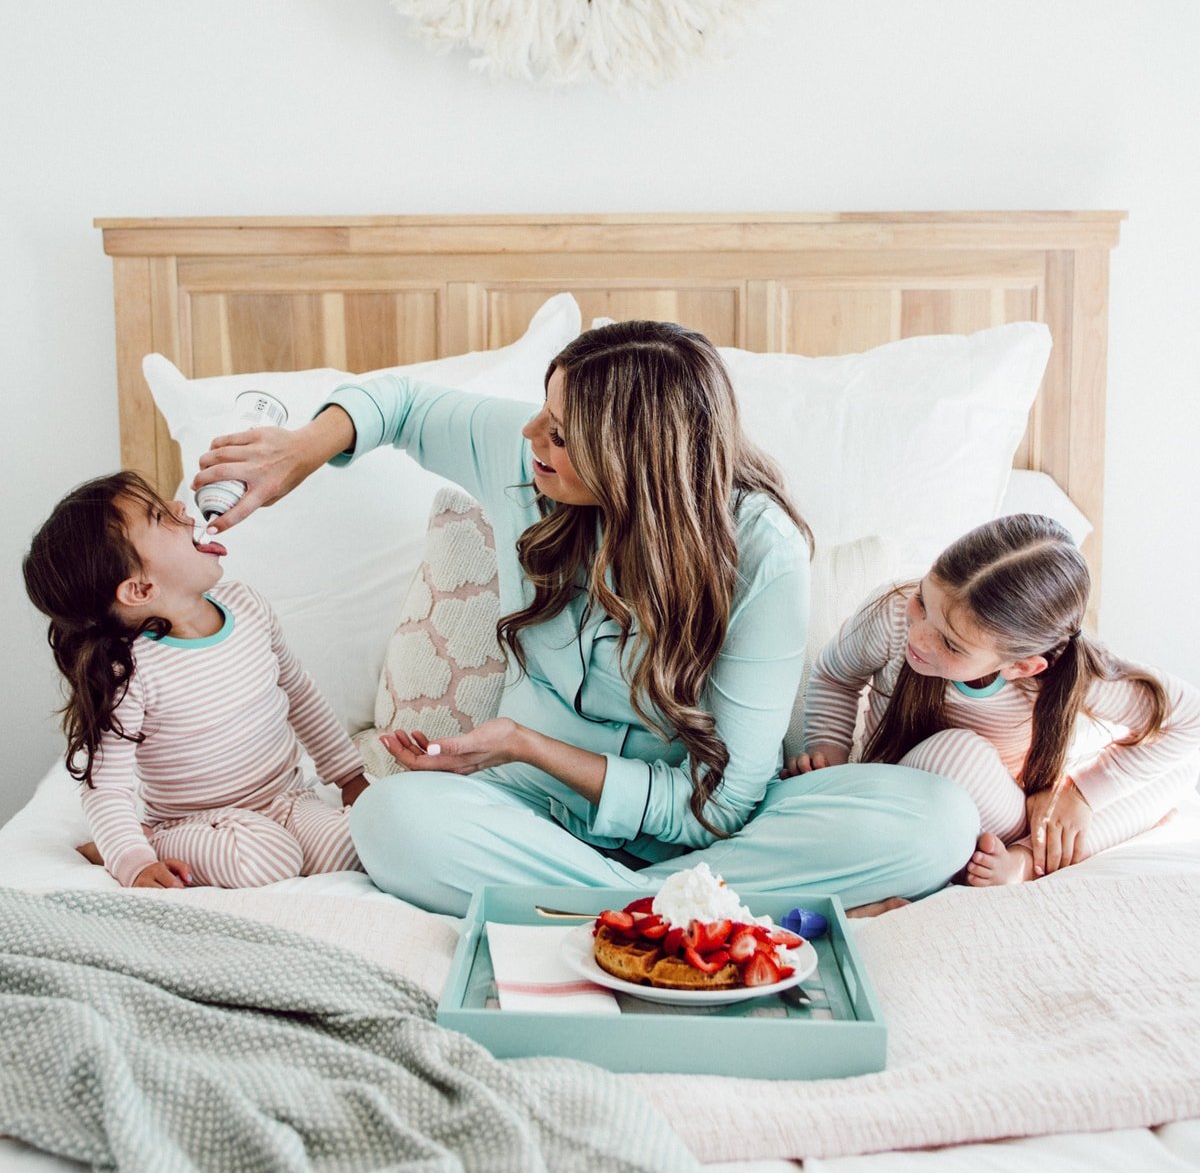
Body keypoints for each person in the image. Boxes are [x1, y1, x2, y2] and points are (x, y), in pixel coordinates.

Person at [195, 322, 979, 914]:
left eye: (561, 433)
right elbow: (397, 403)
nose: (530, 436)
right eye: (545, 412)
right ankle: (684, 912)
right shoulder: (529, 461)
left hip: (715, 833)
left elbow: (723, 802)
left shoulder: (762, 552)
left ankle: (596, 910)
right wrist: (301, 448)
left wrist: (525, 742)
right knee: (393, 818)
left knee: (939, 819)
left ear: (636, 458)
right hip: (531, 814)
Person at [789, 514, 1200, 885]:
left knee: (1180, 772)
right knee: (956, 755)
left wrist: (1079, 794)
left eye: (951, 644)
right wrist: (830, 757)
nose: (919, 636)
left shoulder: (1066, 674)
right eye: (923, 602)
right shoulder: (894, 611)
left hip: (1000, 808)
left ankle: (1025, 859)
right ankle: (1023, 850)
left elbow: (1188, 718)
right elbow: (836, 675)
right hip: (902, 789)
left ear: (1021, 666)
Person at [23, 472, 369, 889]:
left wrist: (349, 776)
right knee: (267, 860)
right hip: (196, 822)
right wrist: (133, 861)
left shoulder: (247, 605)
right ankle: (149, 839)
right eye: (158, 515)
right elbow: (106, 788)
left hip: (288, 799)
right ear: (140, 589)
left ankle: (294, 835)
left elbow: (299, 692)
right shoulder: (128, 672)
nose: (180, 506)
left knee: (357, 847)